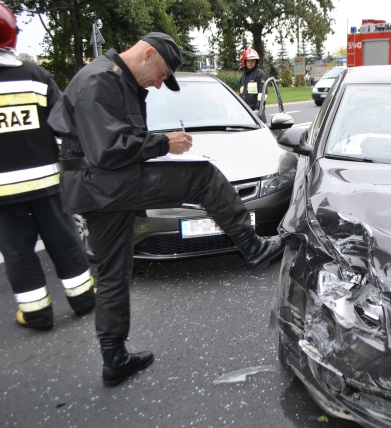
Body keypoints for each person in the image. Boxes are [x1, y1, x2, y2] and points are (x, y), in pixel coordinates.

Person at [47, 32, 283, 387]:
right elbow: (108, 149)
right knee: (202, 176)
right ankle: (252, 247)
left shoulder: (115, 78)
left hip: (96, 189)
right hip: (106, 181)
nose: (159, 84)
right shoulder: (100, 79)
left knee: (114, 273)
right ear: (148, 54)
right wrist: (164, 142)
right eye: (161, 75)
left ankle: (114, 357)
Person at [0, 3, 93, 331]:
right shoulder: (36, 77)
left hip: (3, 193)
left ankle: (37, 314)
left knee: (17, 251)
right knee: (63, 238)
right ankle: (83, 299)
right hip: (45, 182)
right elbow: (63, 124)